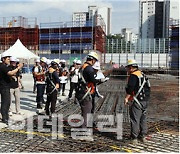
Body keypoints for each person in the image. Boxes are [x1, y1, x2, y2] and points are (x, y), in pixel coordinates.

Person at [124, 59, 150, 144]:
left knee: (135, 119)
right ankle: (143, 136)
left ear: (131, 67)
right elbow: (148, 87)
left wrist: (127, 98)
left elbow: (130, 88)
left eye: (128, 68)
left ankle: (134, 138)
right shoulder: (143, 74)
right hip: (145, 100)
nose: (127, 70)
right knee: (143, 119)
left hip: (137, 100)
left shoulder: (133, 76)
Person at [75, 51, 104, 128]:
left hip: (80, 91)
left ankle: (83, 126)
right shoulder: (89, 68)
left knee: (84, 111)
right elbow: (93, 80)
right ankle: (83, 130)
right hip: (85, 92)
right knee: (87, 112)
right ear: (93, 60)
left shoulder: (83, 67)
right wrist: (100, 80)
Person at [0, 52, 23, 125]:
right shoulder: (3, 66)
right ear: (3, 59)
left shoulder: (5, 66)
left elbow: (11, 74)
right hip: (4, 87)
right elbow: (10, 73)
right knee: (5, 103)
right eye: (8, 59)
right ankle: (4, 118)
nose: (9, 60)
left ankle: (6, 117)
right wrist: (18, 68)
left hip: (6, 86)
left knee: (7, 102)